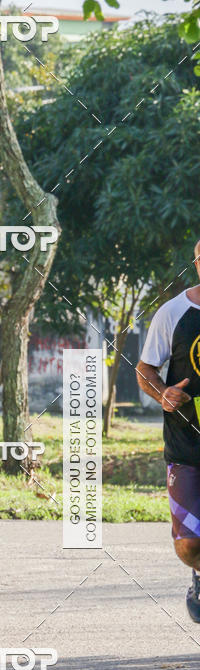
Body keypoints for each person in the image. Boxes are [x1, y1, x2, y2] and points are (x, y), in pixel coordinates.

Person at [136, 238, 200, 622]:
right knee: (189, 544)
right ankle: (198, 571)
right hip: (186, 447)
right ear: (196, 263)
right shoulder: (173, 313)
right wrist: (164, 394)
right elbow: (145, 371)